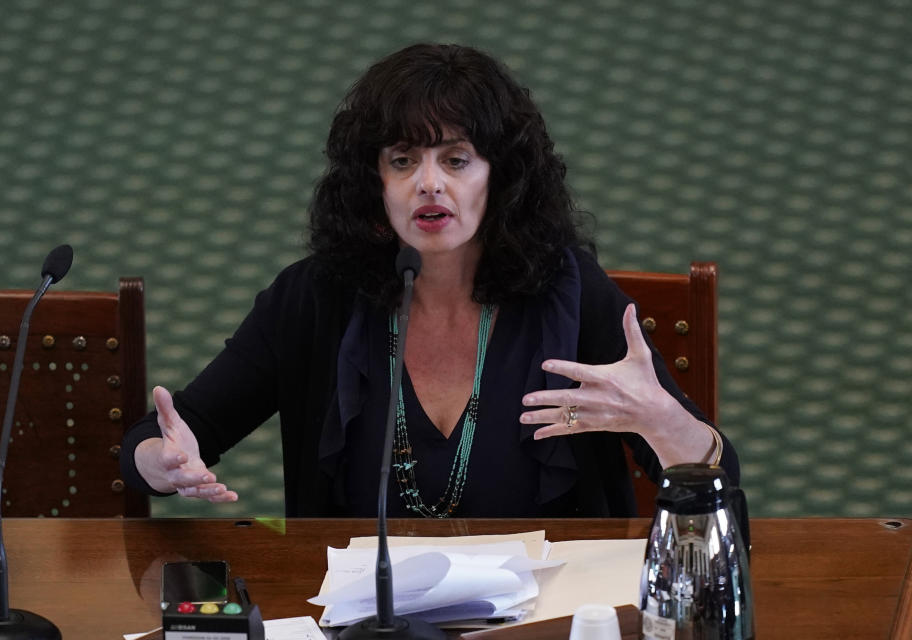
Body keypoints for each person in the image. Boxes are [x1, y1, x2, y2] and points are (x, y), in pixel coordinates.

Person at [121, 43, 739, 518]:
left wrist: (661, 420)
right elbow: (172, 431)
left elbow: (719, 478)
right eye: (402, 160)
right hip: (368, 620)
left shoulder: (568, 292)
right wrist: (163, 462)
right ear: (374, 182)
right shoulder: (317, 296)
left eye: (456, 159)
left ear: (501, 177)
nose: (428, 183)